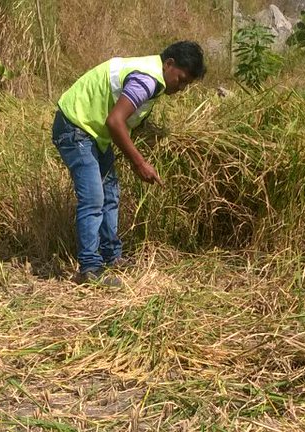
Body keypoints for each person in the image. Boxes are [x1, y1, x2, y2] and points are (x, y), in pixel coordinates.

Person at [53, 41, 206, 286]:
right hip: (75, 127)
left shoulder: (153, 78)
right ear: (169, 64)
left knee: (110, 195)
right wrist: (140, 163)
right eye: (182, 80)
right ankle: (89, 269)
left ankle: (111, 257)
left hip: (94, 134)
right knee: (93, 199)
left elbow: (125, 116)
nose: (182, 88)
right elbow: (115, 121)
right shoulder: (148, 79)